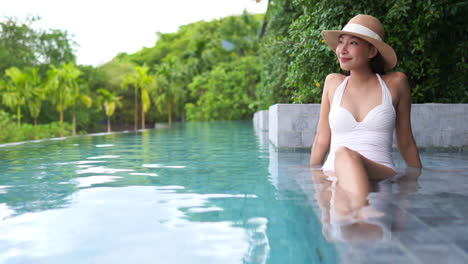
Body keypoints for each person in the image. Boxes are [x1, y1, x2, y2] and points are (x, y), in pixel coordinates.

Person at [309, 14, 422, 211]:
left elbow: (406, 142)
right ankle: (364, 216)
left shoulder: (395, 83)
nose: (341, 50)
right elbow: (321, 138)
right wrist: (313, 175)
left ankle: (360, 213)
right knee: (342, 158)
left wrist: (417, 181)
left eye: (352, 43)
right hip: (334, 172)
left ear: (372, 51)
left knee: (344, 154)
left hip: (379, 171)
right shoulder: (333, 82)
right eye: (340, 42)